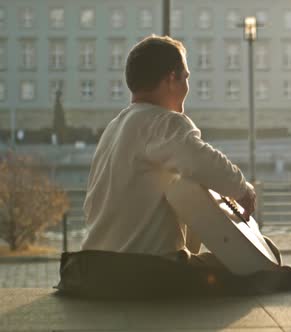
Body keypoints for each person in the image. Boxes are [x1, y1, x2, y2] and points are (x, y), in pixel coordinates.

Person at [81, 35, 257, 268]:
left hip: (97, 267)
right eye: (185, 77)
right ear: (171, 78)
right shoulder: (162, 122)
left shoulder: (115, 128)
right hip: (145, 269)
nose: (187, 86)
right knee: (245, 267)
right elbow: (200, 159)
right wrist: (243, 190)